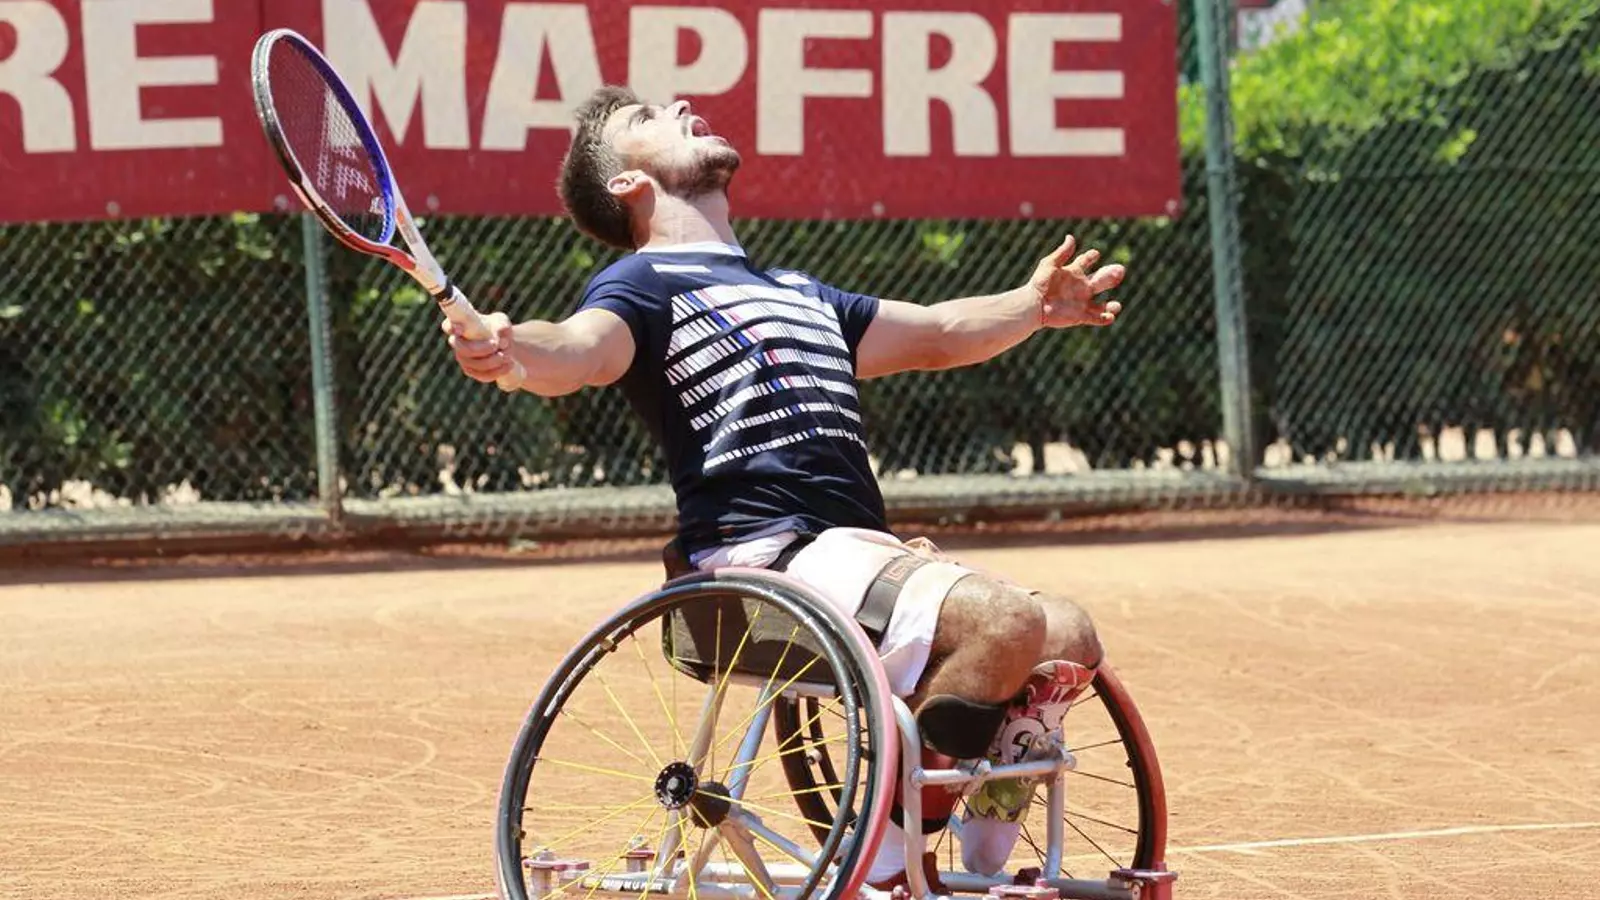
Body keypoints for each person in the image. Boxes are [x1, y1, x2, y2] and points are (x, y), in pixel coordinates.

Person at [443, 86, 1127, 889]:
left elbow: (940, 333)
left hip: (855, 555)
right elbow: (578, 348)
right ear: (627, 182)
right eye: (647, 118)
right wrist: (514, 352)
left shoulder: (799, 292)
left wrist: (1031, 306)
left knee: (1068, 632)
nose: (681, 103)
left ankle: (978, 818)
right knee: (1006, 620)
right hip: (764, 559)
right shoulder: (639, 287)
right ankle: (890, 857)